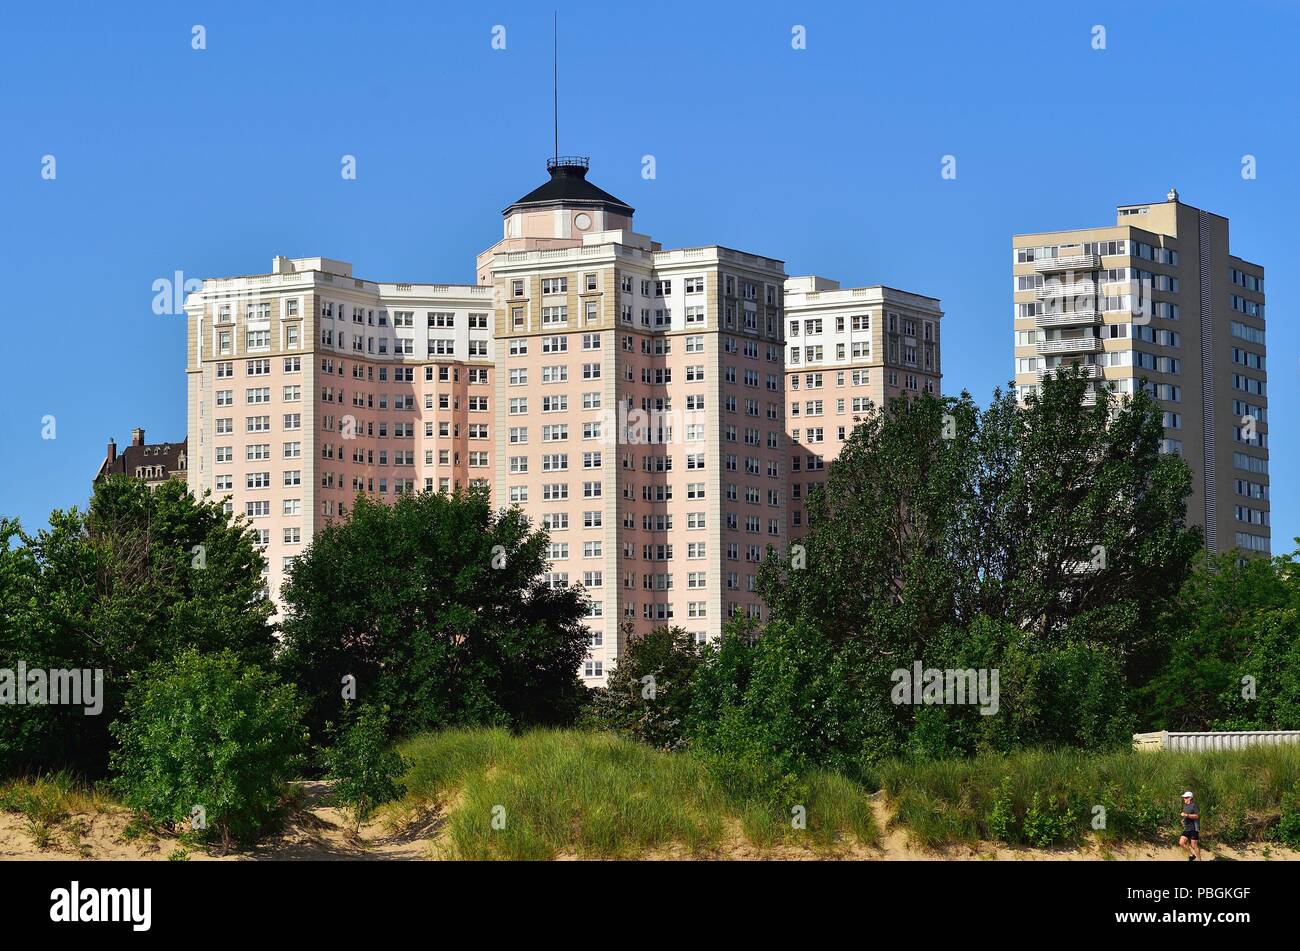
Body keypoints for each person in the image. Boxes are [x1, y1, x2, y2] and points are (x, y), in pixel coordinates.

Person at [1179, 791, 1201, 861]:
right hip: (1187, 828)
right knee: (1181, 842)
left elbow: (1197, 816)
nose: (1184, 799)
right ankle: (1192, 856)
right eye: (1184, 798)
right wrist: (1183, 820)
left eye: (1186, 798)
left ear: (1190, 798)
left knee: (1194, 846)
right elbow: (1186, 815)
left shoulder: (1194, 805)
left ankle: (1199, 859)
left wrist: (1186, 815)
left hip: (1194, 828)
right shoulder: (1185, 806)